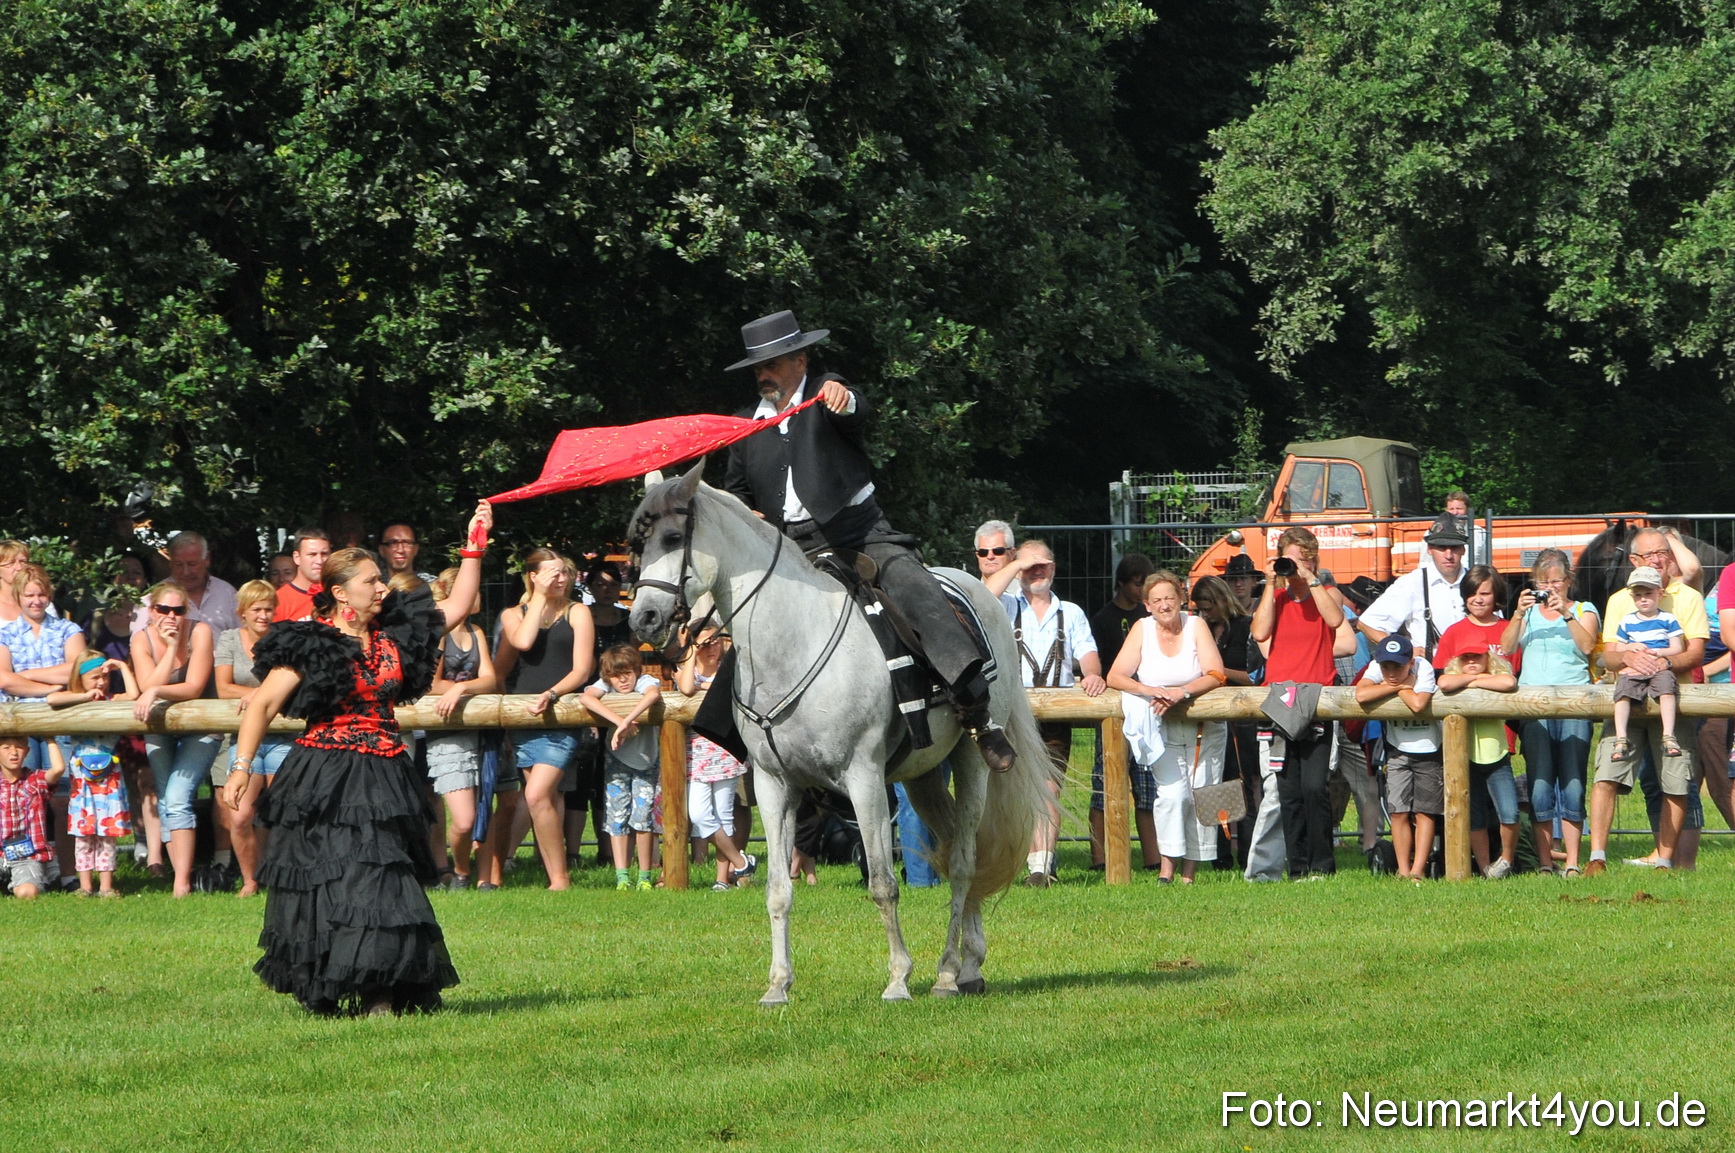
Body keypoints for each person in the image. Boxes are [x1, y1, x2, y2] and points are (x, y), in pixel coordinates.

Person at [224, 502, 491, 1016]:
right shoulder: (314, 643)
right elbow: (260, 704)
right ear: (341, 592)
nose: (382, 588)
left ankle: (381, 993)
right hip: (327, 777)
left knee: (385, 879)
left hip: (387, 774)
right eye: (371, 581)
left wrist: (474, 545)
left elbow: (455, 608)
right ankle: (339, 985)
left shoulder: (393, 634)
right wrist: (241, 766)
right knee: (340, 879)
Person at [720, 311, 1015, 772]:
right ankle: (738, 741)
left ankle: (976, 709)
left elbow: (854, 406)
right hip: (788, 551)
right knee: (753, 624)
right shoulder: (745, 426)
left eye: (773, 362)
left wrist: (843, 397)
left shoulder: (826, 393)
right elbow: (737, 492)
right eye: (758, 366)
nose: (764, 373)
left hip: (857, 535)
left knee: (914, 587)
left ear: (800, 359)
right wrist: (748, 515)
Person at [1586, 529, 1707, 875]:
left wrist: (1664, 662)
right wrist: (1629, 656)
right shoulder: (1619, 601)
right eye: (1650, 554)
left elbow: (1696, 651)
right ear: (1634, 561)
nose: (1658, 559)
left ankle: (1666, 860)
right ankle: (1597, 857)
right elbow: (1606, 656)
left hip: (1673, 698)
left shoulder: (1688, 598)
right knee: (1607, 773)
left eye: (1663, 553)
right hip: (1629, 695)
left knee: (1675, 780)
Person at [1247, 527, 1356, 880]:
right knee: (1288, 790)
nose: (1294, 567)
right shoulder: (1276, 600)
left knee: (1314, 786)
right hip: (1280, 698)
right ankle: (1297, 867)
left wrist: (1309, 579)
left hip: (1315, 697)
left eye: (1302, 559)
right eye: (1290, 559)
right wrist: (1269, 583)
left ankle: (1322, 866)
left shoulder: (1324, 594)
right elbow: (1260, 632)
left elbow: (1336, 620)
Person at [1106, 571, 1227, 882]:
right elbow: (1116, 676)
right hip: (1160, 727)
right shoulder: (1141, 629)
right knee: (1172, 796)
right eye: (1157, 600)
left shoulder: (1196, 625)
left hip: (1204, 727)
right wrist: (1151, 691)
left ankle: (1190, 872)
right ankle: (1166, 869)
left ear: (1181, 599)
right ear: (1147, 605)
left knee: (1202, 794)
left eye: (1169, 599)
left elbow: (1216, 673)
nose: (1164, 605)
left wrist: (1181, 692)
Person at [998, 539, 1105, 885]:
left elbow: (1087, 651)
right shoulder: (1006, 606)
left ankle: (1042, 866)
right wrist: (1016, 565)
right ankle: (1016, 860)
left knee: (1049, 788)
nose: (1037, 572)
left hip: (1056, 713)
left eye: (1043, 566)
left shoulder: (1070, 612)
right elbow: (983, 596)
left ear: (1054, 570)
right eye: (1031, 567)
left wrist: (1092, 674)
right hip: (1015, 712)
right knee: (1015, 788)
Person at [494, 548, 595, 890]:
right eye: (552, 573)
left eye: (564, 572)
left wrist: (553, 693)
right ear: (533, 576)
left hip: (561, 716)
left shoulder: (578, 612)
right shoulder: (512, 614)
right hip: (524, 719)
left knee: (536, 795)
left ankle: (560, 878)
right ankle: (554, 875)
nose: (560, 578)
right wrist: (538, 597)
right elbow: (523, 640)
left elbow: (583, 669)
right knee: (544, 800)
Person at [1500, 548, 1597, 876]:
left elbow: (1587, 646)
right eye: (1543, 582)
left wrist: (1566, 614)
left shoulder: (1584, 609)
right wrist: (1516, 614)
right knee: (1540, 785)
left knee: (1572, 783)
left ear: (1569, 580)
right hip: (1534, 706)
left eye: (1556, 581)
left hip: (1574, 704)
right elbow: (1507, 647)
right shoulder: (1528, 614)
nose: (1551, 588)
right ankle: (1544, 863)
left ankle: (1571, 862)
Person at [130, 580, 219, 897]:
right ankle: (176, 875)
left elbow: (194, 686)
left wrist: (156, 689)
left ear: (186, 612)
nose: (170, 616)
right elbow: (145, 685)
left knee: (179, 797)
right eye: (162, 609)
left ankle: (182, 881)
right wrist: (168, 650)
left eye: (177, 610)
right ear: (151, 611)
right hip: (159, 727)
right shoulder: (140, 639)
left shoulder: (201, 632)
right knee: (167, 800)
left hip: (202, 726)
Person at [213, 580, 291, 896]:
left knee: (282, 810)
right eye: (257, 609)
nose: (263, 615)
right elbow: (224, 688)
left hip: (282, 736)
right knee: (242, 813)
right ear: (242, 612)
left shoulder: (285, 639)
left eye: (268, 609)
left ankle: (280, 873)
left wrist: (260, 697)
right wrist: (262, 695)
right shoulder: (230, 638)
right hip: (242, 738)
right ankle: (250, 879)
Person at [424, 567, 497, 890]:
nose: (478, 595)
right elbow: (431, 684)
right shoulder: (441, 632)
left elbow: (491, 678)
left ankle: (473, 876)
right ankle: (457, 868)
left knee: (484, 809)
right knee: (463, 819)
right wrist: (453, 688)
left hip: (479, 731)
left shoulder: (477, 631)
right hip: (447, 735)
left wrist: (460, 689)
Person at [46, 654, 140, 897]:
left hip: (109, 779)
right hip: (83, 781)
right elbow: (52, 698)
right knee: (84, 833)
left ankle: (106, 885)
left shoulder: (112, 699)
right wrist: (84, 697)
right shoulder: (75, 700)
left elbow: (133, 695)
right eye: (94, 677)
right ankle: (85, 885)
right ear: (80, 679)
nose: (101, 683)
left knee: (107, 834)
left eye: (105, 677)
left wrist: (122, 667)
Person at [1087, 552, 1156, 870]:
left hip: (1146, 707)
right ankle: (1100, 858)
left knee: (1147, 786)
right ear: (1122, 583)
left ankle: (1154, 859)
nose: (1142, 591)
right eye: (1137, 583)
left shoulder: (1149, 617)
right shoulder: (1103, 619)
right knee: (1103, 784)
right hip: (1113, 708)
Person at [676, 626, 757, 891]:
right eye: (703, 643)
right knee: (699, 814)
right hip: (696, 755)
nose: (710, 648)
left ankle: (722, 879)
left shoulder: (729, 671)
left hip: (726, 752)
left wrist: (706, 684)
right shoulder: (688, 670)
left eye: (715, 642)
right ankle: (740, 861)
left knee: (724, 815)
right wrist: (689, 651)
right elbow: (687, 687)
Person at [1355, 634, 1440, 880]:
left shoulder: (1424, 668)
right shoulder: (1376, 665)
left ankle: (1418, 870)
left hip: (1429, 749)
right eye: (1386, 666)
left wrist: (1389, 690)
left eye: (1398, 666)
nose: (1390, 671)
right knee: (1398, 811)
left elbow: (1418, 703)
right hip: (1397, 750)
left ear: (1410, 663)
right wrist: (1400, 686)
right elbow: (1361, 694)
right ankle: (1402, 871)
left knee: (1425, 811)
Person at [1191, 574, 1261, 868]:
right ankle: (1219, 854)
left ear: (1222, 600)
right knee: (1215, 782)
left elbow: (1256, 677)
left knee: (1246, 783)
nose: (1205, 614)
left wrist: (1218, 672)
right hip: (1211, 718)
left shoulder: (1246, 627)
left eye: (1209, 607)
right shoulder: (1199, 630)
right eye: (1200, 609)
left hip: (1243, 718)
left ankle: (1249, 853)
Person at [582, 645, 663, 891]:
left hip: (646, 761)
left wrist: (628, 719)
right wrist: (619, 722)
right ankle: (622, 877)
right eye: (616, 676)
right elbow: (586, 697)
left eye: (628, 672)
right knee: (617, 817)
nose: (622, 679)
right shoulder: (605, 685)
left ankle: (645, 877)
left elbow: (652, 695)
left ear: (636, 671)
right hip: (616, 760)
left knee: (643, 817)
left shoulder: (646, 681)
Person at [1437, 648, 1521, 878]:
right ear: (1458, 660)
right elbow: (1444, 683)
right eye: (1465, 658)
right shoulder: (1455, 677)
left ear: (1488, 658)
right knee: (1474, 817)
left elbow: (1508, 682)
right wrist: (1476, 679)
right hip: (1464, 757)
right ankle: (1485, 868)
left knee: (1510, 812)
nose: (1471, 661)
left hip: (1497, 755)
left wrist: (1472, 682)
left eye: (1477, 657)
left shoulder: (1496, 675)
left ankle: (1506, 859)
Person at [1359, 515, 1468, 658]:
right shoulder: (1412, 583)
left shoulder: (1477, 581)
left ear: (1463, 550)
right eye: (1441, 547)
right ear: (1429, 549)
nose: (1448, 555)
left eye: (1454, 547)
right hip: (1430, 671)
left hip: (1474, 670)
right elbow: (1368, 623)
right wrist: (1403, 651)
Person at [1607, 567, 1686, 763]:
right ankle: (1621, 737)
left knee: (1667, 688)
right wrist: (1631, 647)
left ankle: (1668, 735)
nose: (1643, 599)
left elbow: (1677, 647)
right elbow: (1618, 648)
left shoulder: (1667, 619)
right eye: (1638, 595)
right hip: (1634, 667)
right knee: (1622, 692)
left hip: (1658, 665)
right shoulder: (1627, 621)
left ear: (1660, 593)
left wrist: (1660, 653)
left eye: (1648, 594)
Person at [0, 564, 88, 702]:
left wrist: (25, 676)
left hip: (65, 713)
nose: (37, 601)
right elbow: (4, 680)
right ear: (18, 597)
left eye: (41, 595)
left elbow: (78, 670)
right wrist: (50, 689)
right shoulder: (4, 635)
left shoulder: (68, 629)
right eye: (29, 595)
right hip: (18, 716)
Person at [132, 532, 240, 635]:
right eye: (178, 564)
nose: (185, 572)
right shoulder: (152, 597)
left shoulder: (226, 593)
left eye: (192, 564)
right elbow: (137, 643)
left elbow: (244, 637)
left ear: (207, 559)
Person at [0, 734, 65, 899]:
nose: (14, 753)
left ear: (27, 751)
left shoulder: (35, 780)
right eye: (6, 748)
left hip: (26, 856)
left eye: (19, 747)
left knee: (27, 893)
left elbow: (57, 769)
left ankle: (35, 879)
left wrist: (49, 739)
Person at [1432, 565, 1509, 671]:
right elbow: (1440, 672)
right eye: (1472, 594)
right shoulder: (1453, 632)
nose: (1478, 599)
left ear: (1496, 595)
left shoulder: (1509, 630)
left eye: (1484, 594)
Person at [274, 528, 331, 622]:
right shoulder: (278, 601)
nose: (319, 561)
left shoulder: (339, 595)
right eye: (312, 554)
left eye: (324, 554)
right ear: (297, 557)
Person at [378, 521, 431, 589]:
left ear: (416, 549)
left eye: (407, 543)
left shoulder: (432, 585)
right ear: (381, 549)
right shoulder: (375, 585)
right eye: (393, 543)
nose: (400, 550)